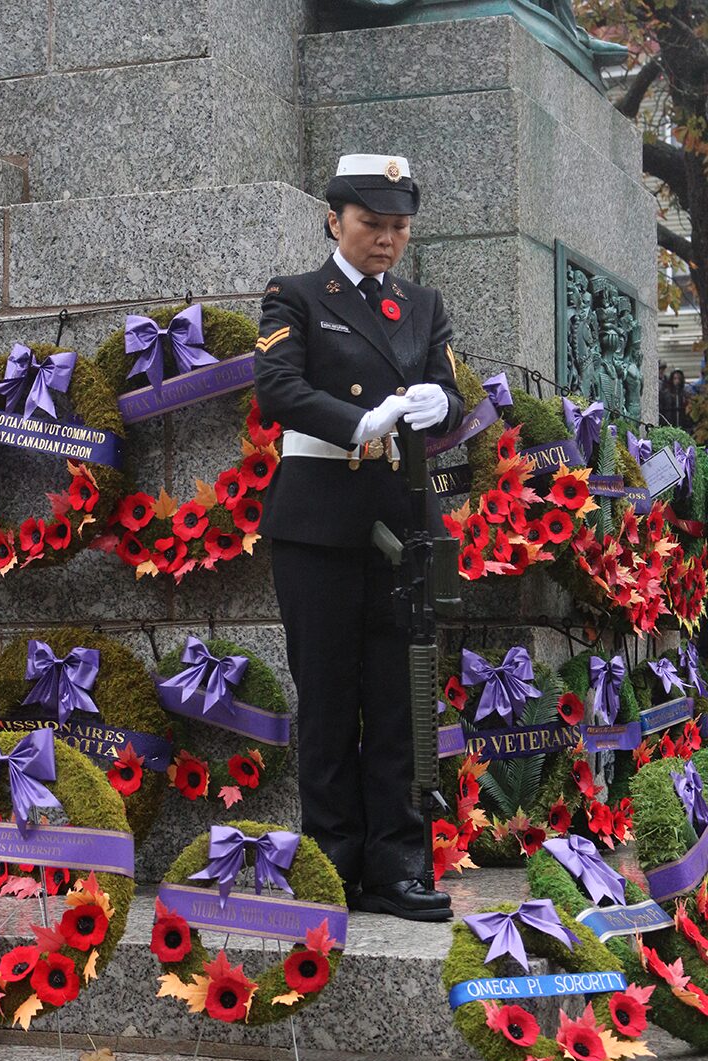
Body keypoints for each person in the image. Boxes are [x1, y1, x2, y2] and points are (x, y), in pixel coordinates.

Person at [254, 153, 464, 922]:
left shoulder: (422, 303)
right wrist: (358, 421)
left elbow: (450, 378)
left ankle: (399, 864)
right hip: (320, 522)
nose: (386, 240)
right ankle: (333, 862)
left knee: (400, 699)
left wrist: (440, 400)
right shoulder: (298, 296)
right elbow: (278, 387)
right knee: (331, 700)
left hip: (401, 520)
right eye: (372, 224)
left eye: (399, 227)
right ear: (335, 220)